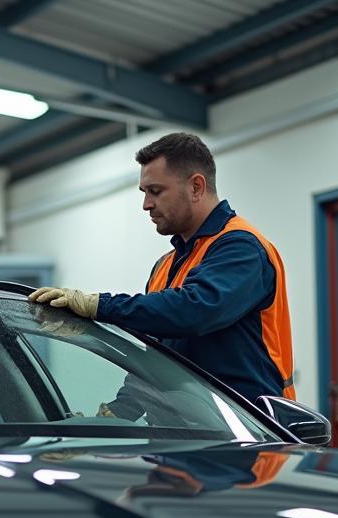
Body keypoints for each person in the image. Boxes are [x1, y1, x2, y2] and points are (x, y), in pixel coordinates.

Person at [28, 132, 295, 411]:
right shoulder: (165, 266)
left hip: (253, 436)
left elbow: (194, 311)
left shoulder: (242, 248)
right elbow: (157, 360)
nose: (146, 205)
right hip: (185, 433)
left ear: (196, 187)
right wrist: (119, 413)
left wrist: (99, 305)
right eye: (144, 193)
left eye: (156, 191)